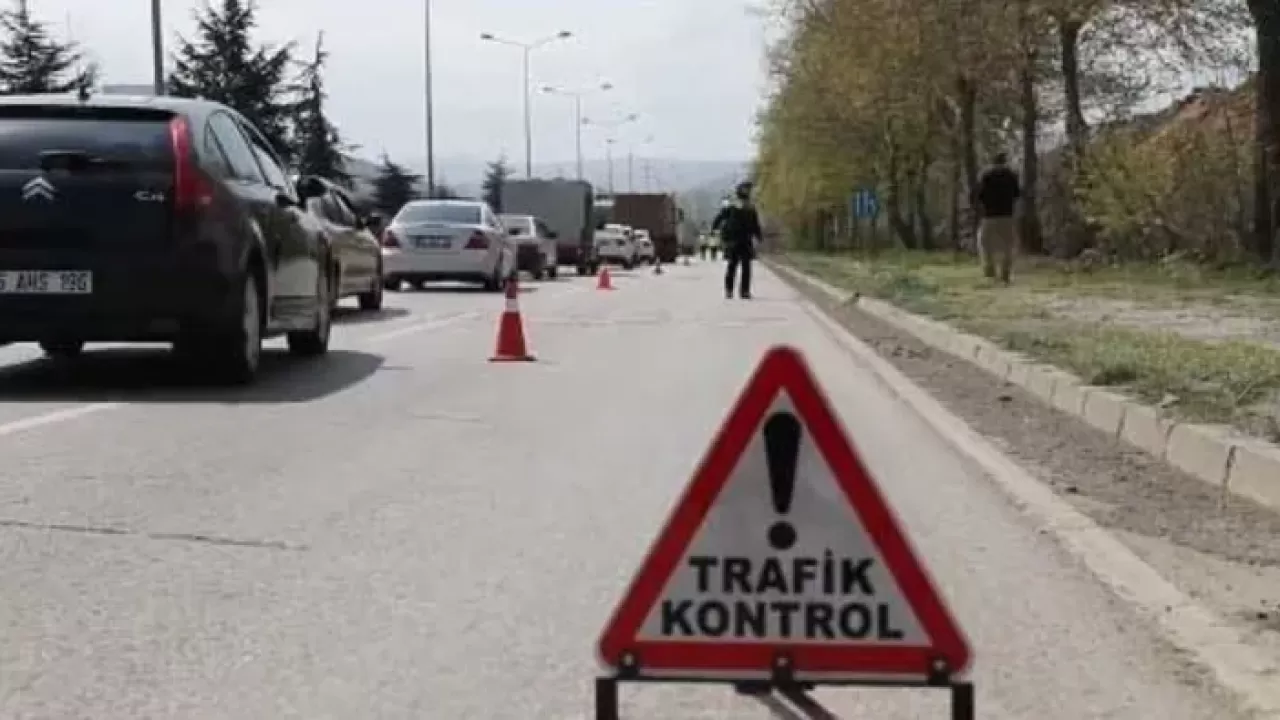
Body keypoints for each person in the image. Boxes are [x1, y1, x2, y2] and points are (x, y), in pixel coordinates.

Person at [974, 152, 1022, 284]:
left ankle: (990, 269)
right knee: (1009, 245)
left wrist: (984, 205)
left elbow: (979, 195)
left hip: (989, 215)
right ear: (1005, 161)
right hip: (1007, 215)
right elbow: (1017, 194)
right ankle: (1005, 271)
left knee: (984, 242)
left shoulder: (986, 176)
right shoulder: (1011, 176)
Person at [711, 182, 762, 299]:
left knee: (746, 267)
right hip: (733, 240)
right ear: (740, 191)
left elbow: (755, 224)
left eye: (749, 189)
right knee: (732, 265)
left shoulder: (750, 207)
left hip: (746, 240)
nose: (748, 191)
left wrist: (758, 236)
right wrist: (714, 228)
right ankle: (729, 290)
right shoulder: (732, 206)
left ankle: (744, 291)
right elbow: (720, 216)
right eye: (746, 189)